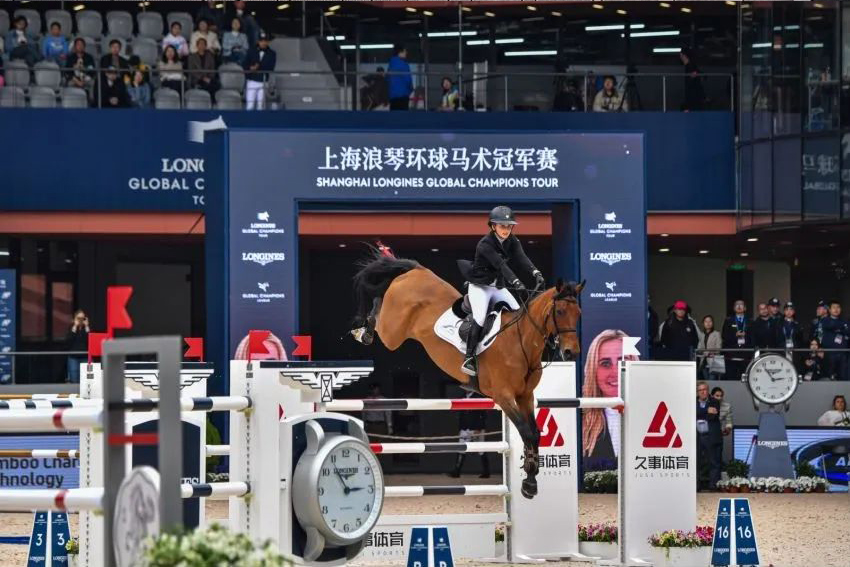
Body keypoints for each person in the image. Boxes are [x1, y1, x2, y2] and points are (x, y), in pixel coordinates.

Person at [459, 206, 544, 378]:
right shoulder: (485, 244)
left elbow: (522, 258)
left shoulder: (513, 241)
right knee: (480, 318)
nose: (506, 229)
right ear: (493, 226)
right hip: (480, 287)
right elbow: (501, 265)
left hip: (497, 286)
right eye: (502, 226)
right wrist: (516, 282)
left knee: (518, 312)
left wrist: (536, 272)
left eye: (509, 226)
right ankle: (469, 357)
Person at [582, 330, 638, 468]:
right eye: (605, 364)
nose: (615, 372)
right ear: (593, 371)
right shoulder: (579, 421)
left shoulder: (650, 415)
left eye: (622, 362)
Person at [449, 391, 490, 478]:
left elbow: (483, 414)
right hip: (465, 428)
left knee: (481, 450)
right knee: (461, 449)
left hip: (476, 428)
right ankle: (457, 471)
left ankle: (486, 472)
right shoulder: (463, 396)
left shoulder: (478, 397)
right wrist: (461, 428)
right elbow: (461, 414)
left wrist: (479, 428)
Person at [696, 381, 722, 490]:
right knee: (696, 462)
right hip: (696, 436)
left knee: (713, 462)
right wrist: (706, 410)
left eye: (705, 389)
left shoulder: (714, 401)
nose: (703, 392)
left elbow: (712, 416)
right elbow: (691, 413)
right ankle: (696, 486)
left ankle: (713, 486)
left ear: (708, 391)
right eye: (700, 390)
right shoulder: (692, 402)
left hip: (710, 436)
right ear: (697, 392)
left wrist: (698, 413)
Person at [243, 31, 276, 110]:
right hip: (251, 80)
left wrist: (258, 67)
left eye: (265, 41)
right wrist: (251, 68)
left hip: (263, 81)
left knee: (261, 106)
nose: (263, 43)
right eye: (261, 41)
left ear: (268, 42)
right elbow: (245, 64)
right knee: (250, 105)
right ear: (258, 41)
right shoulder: (251, 51)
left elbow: (271, 67)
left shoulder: (272, 53)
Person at [721, 300, 751, 381]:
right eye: (737, 305)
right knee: (732, 378)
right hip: (732, 354)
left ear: (745, 308)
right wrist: (735, 335)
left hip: (746, 354)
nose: (739, 306)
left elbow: (754, 337)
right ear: (734, 308)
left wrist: (746, 335)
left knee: (745, 378)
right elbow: (724, 336)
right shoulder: (728, 321)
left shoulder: (750, 321)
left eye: (741, 305)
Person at [821, 300, 849, 380]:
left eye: (838, 307)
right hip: (830, 353)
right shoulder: (825, 320)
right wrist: (842, 327)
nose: (836, 309)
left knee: (843, 377)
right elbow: (830, 326)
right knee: (830, 377)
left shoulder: (845, 321)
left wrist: (839, 327)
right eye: (834, 307)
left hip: (843, 354)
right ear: (829, 310)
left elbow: (848, 331)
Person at [66, 310, 90, 384]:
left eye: (82, 318)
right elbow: (68, 341)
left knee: (86, 379)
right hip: (73, 357)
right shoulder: (71, 328)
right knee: (74, 378)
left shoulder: (86, 329)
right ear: (74, 319)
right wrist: (75, 326)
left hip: (85, 356)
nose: (80, 320)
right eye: (78, 318)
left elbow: (90, 340)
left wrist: (87, 326)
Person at [387, 44, 413, 111]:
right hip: (403, 96)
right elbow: (408, 81)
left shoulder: (391, 64)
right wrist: (410, 89)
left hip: (392, 97)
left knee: (394, 116)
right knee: (403, 116)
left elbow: (387, 79)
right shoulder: (404, 64)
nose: (406, 53)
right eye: (405, 51)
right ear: (400, 52)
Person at [781, 302, 805, 372]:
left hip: (794, 351)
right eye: (787, 310)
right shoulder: (779, 324)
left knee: (794, 370)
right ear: (784, 311)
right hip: (782, 351)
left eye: (791, 310)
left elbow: (801, 340)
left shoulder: (797, 324)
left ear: (794, 312)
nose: (789, 312)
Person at [680, 47, 705, 112]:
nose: (680, 56)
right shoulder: (688, 67)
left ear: (684, 55)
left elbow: (701, 77)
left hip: (693, 100)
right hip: (691, 99)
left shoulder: (691, 66)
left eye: (681, 54)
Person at [699, 315, 723, 379]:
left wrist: (709, 352)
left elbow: (719, 348)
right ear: (703, 323)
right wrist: (702, 352)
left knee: (712, 381)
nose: (708, 323)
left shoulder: (717, 334)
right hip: (704, 361)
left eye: (710, 321)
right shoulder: (702, 334)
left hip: (713, 361)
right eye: (706, 321)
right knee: (706, 381)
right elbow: (700, 348)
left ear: (712, 323)